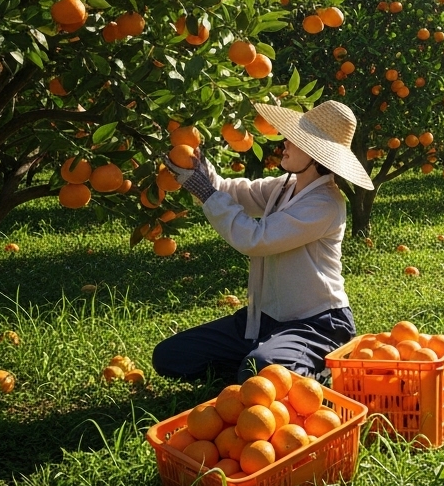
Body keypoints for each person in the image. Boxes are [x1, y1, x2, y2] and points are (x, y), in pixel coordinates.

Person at [152, 100, 375, 384]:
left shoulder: (325, 204)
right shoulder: (286, 186)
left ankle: (318, 367)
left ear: (316, 154)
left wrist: (206, 192)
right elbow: (231, 192)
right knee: (171, 356)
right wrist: (198, 163)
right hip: (265, 319)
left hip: (316, 323)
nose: (285, 143)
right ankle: (257, 366)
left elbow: (256, 239)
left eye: (296, 139)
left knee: (261, 370)